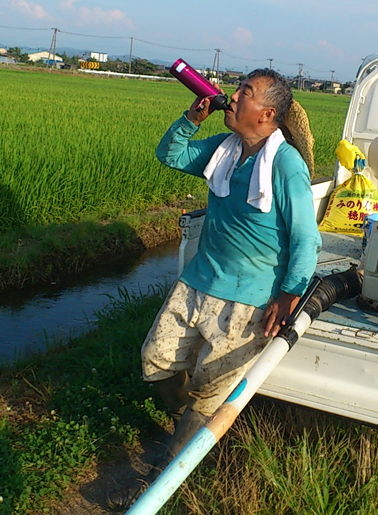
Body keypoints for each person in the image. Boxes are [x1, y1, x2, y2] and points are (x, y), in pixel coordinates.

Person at [108, 69, 321, 510]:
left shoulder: (285, 166)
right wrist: (192, 118)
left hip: (250, 297)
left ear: (267, 115)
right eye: (238, 88)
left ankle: (169, 467)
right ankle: (186, 423)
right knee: (156, 360)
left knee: (210, 391)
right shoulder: (226, 149)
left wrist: (289, 294)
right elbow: (171, 154)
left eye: (245, 93)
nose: (233, 96)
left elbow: (306, 238)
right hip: (199, 281)